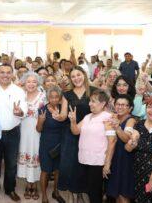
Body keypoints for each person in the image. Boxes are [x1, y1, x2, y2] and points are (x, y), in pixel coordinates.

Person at [0, 64, 27, 202]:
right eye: (2, 72)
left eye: (8, 72)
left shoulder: (19, 90)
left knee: (11, 164)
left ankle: (10, 189)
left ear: (12, 74)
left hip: (12, 132)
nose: (5, 75)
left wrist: (20, 112)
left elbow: (24, 110)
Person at [69, 89, 117, 203]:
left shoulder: (108, 117)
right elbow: (75, 131)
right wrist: (73, 121)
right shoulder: (87, 117)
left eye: (93, 101)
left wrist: (107, 163)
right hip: (85, 160)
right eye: (90, 101)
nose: (90, 103)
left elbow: (112, 141)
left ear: (103, 103)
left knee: (95, 193)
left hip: (98, 162)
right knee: (90, 191)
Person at [59, 66, 94, 201]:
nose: (76, 78)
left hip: (89, 132)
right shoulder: (67, 94)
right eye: (73, 76)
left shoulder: (93, 91)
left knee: (84, 164)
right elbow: (63, 114)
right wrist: (59, 116)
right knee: (69, 163)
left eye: (78, 75)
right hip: (70, 132)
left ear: (84, 75)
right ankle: (72, 193)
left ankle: (81, 191)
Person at [17, 72, 46, 200]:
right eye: (28, 81)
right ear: (24, 82)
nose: (31, 84)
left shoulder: (43, 96)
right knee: (25, 153)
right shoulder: (20, 96)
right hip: (23, 131)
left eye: (34, 81)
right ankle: (28, 184)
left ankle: (34, 185)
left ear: (38, 83)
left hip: (37, 132)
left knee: (35, 155)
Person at [36, 86, 67, 203]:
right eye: (51, 97)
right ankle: (44, 196)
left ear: (59, 97)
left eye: (56, 97)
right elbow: (38, 129)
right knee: (45, 170)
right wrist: (41, 120)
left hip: (60, 143)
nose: (54, 99)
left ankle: (56, 192)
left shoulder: (63, 109)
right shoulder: (42, 109)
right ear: (48, 97)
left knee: (58, 169)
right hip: (46, 143)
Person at [105, 95, 137, 202]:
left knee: (124, 194)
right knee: (116, 193)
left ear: (130, 108)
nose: (120, 107)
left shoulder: (130, 120)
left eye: (124, 105)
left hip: (126, 160)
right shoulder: (114, 117)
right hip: (115, 158)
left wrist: (118, 128)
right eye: (118, 104)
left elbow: (126, 138)